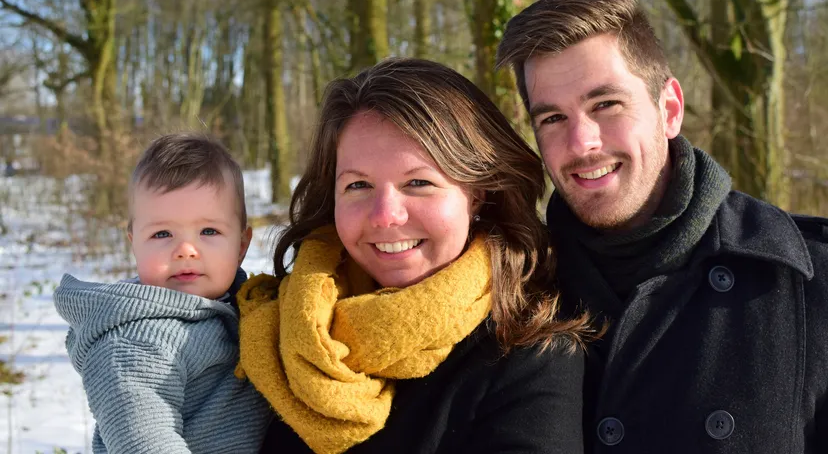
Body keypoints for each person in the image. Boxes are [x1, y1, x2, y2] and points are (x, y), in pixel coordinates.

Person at [495, 0, 828, 453]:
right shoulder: (514, 293)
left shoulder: (808, 281)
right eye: (552, 118)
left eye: (605, 104)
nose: (582, 141)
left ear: (669, 109)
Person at [235, 58, 594, 454]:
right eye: (357, 185)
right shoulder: (273, 328)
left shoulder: (532, 355)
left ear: (478, 192)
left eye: (418, 182)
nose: (385, 216)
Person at [54, 133, 272, 453]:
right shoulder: (133, 343)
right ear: (134, 245)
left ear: (241, 245)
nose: (185, 249)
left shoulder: (252, 307)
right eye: (162, 233)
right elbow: (145, 442)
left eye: (208, 231)